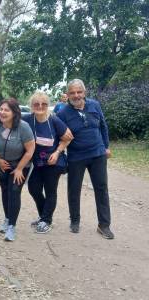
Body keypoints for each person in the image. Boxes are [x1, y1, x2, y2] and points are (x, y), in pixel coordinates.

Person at [57, 79, 114, 239]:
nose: (76, 95)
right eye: (72, 93)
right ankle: (75, 220)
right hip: (76, 157)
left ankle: (104, 225)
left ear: (84, 92)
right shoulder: (62, 114)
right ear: (67, 95)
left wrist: (106, 146)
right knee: (74, 189)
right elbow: (58, 136)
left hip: (97, 154)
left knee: (101, 189)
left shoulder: (95, 105)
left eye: (79, 92)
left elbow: (103, 126)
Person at [23, 91, 73, 233]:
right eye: (36, 104)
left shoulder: (54, 120)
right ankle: (45, 216)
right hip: (38, 163)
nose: (40, 106)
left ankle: (46, 220)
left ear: (48, 105)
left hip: (53, 162)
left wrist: (57, 152)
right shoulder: (27, 119)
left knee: (50, 191)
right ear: (32, 106)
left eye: (44, 104)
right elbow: (10, 119)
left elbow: (68, 138)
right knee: (33, 187)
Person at [0, 98, 35, 241]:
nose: (2, 112)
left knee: (14, 192)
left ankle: (12, 227)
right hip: (2, 165)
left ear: (14, 112)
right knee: (5, 191)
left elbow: (30, 150)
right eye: (1, 109)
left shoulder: (23, 127)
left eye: (6, 110)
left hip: (21, 165)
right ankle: (7, 219)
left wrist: (20, 168)